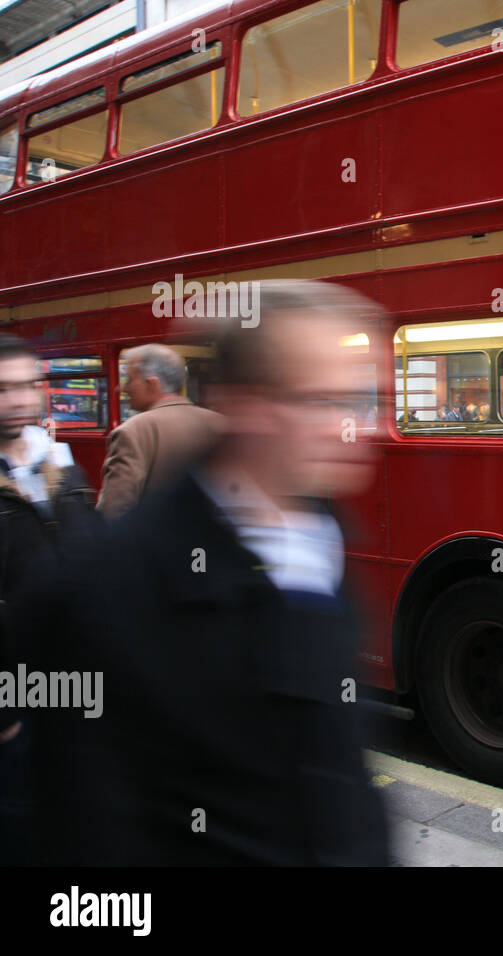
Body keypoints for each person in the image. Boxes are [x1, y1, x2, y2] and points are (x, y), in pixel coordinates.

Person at [30, 280, 389, 865]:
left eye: (366, 400)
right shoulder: (103, 592)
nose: (359, 428)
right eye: (324, 402)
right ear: (244, 404)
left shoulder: (330, 534)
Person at [0, 332, 101, 865]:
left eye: (27, 385)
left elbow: (94, 563)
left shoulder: (64, 469)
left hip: (78, 693)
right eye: (2, 388)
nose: (18, 399)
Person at [97, 343, 222, 520]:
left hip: (153, 546)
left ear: (152, 384)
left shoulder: (131, 432)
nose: (122, 388)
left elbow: (113, 508)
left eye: (129, 379)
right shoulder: (219, 424)